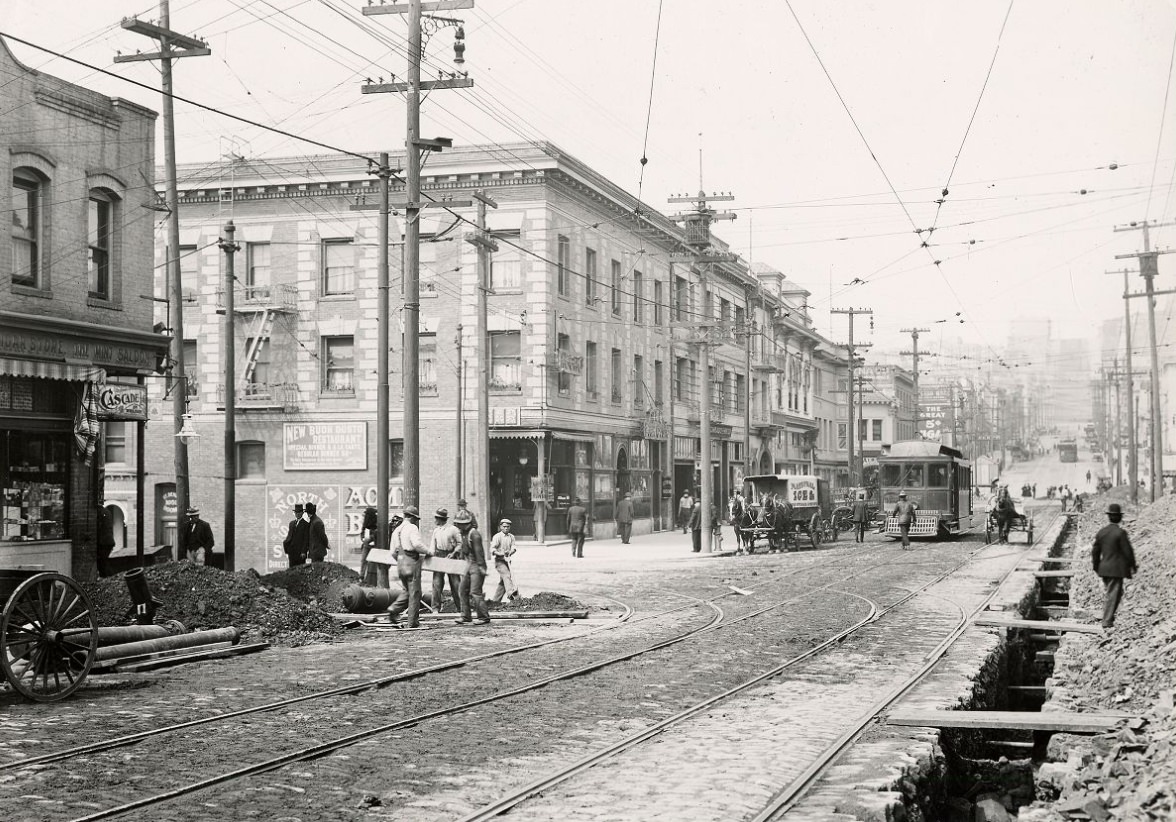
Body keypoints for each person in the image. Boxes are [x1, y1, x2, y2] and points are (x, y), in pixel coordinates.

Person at [1092, 503, 1138, 629]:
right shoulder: (1120, 533)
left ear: (1109, 517)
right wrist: (1133, 566)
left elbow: (1095, 552)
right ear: (1119, 518)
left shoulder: (1102, 532)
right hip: (1116, 570)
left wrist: (1096, 567)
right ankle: (1106, 622)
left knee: (1114, 593)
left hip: (1104, 569)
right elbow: (1128, 552)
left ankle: (1109, 618)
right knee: (1113, 594)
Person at [386, 506, 432, 628]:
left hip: (400, 564)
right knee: (415, 593)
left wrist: (400, 561)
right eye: (415, 519)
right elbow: (417, 544)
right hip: (411, 563)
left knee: (407, 591)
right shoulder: (412, 528)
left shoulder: (397, 530)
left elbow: (392, 552)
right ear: (412, 517)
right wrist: (428, 551)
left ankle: (393, 608)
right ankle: (413, 622)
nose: (416, 521)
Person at [453, 509, 490, 625]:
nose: (458, 526)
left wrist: (482, 568)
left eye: (460, 524)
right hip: (467, 564)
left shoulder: (474, 534)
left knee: (475, 592)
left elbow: (479, 553)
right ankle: (466, 616)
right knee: (462, 590)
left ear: (467, 523)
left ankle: (483, 617)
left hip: (476, 565)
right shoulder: (463, 534)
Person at [430, 508, 463, 612]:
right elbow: (432, 546)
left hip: (451, 556)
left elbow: (460, 543)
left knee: (456, 583)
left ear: (440, 518)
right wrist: (430, 556)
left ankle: (462, 608)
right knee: (437, 583)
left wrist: (453, 553)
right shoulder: (436, 531)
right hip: (439, 556)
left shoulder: (453, 529)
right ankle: (435, 609)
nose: (435, 520)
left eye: (436, 518)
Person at [489, 519, 520, 603]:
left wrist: (510, 552)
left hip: (507, 561)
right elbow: (492, 549)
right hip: (499, 561)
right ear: (500, 527)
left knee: (504, 582)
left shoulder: (511, 537)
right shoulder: (497, 537)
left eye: (508, 527)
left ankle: (495, 601)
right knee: (507, 575)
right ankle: (512, 594)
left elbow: (514, 547)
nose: (506, 528)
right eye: (504, 526)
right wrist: (500, 553)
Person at [283, 503, 308, 567]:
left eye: (299, 512)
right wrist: (287, 548)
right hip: (291, 552)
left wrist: (303, 552)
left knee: (300, 570)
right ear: (294, 513)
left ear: (302, 513)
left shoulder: (306, 524)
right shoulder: (291, 523)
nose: (297, 514)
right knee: (291, 570)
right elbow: (289, 536)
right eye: (296, 512)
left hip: (300, 553)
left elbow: (306, 539)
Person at [358, 506, 378, 581]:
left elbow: (378, 534)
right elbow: (362, 532)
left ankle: (371, 578)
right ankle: (362, 576)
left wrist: (371, 537)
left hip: (374, 545)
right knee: (363, 560)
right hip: (366, 544)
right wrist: (363, 538)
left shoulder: (377, 523)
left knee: (372, 562)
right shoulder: (365, 523)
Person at [96, 504, 116, 577]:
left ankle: (108, 576)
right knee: (103, 561)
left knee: (102, 562)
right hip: (108, 542)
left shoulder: (99, 513)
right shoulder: (106, 511)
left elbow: (99, 528)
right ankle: (108, 576)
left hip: (104, 542)